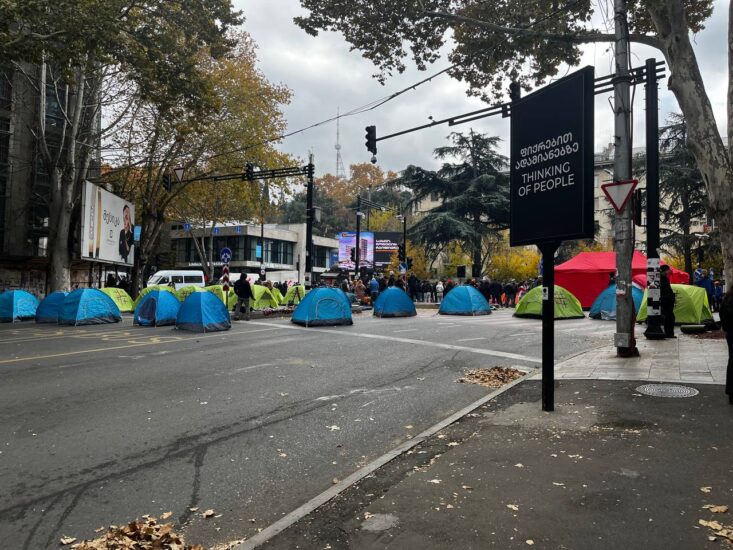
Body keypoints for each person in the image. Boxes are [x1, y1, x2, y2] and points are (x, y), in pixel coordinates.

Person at [718, 286, 733, 404]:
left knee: (732, 361)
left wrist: (726, 327)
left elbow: (722, 313)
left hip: (730, 333)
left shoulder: (727, 297)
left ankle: (731, 391)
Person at [660, 265, 676, 338]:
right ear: (665, 270)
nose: (670, 271)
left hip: (667, 301)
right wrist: (670, 297)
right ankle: (669, 334)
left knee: (669, 317)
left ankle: (669, 333)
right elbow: (665, 291)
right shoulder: (662, 279)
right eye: (669, 269)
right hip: (666, 301)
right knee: (669, 317)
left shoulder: (664, 278)